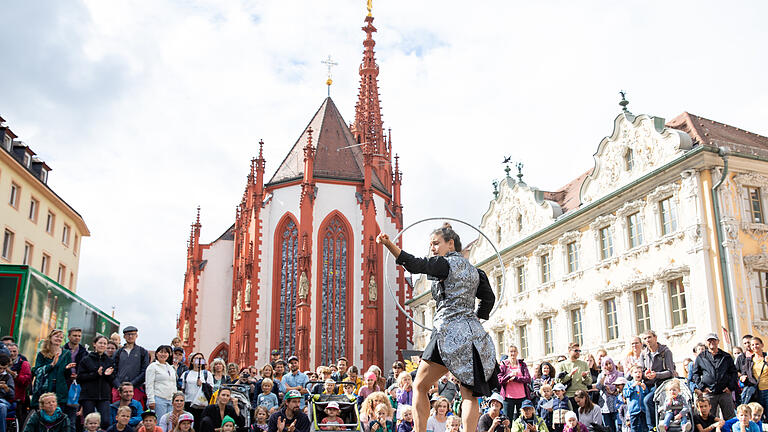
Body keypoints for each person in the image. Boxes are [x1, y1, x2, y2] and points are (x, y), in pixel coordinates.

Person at [377, 225, 498, 432]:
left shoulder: (444, 264)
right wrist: (476, 317)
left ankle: (420, 431)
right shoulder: (476, 272)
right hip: (473, 337)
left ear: (450, 244)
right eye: (431, 244)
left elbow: (414, 264)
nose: (432, 248)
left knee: (420, 386)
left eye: (435, 243)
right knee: (470, 395)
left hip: (447, 333)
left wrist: (389, 244)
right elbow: (489, 299)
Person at [691, 333, 737, 420]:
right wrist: (702, 387)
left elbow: (734, 373)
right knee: (709, 418)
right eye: (709, 340)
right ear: (706, 343)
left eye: (714, 340)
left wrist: (730, 387)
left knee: (730, 418)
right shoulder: (701, 357)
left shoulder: (726, 356)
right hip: (709, 393)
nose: (712, 342)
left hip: (725, 393)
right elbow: (695, 373)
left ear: (718, 341)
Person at [31, 329, 77, 410]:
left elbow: (67, 376)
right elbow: (37, 371)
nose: (59, 339)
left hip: (60, 389)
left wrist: (67, 369)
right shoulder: (42, 354)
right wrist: (51, 365)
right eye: (56, 336)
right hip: (45, 389)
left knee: (58, 414)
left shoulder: (66, 353)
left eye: (61, 337)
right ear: (50, 338)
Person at [640, 331, 675, 431]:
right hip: (648, 385)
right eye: (645, 338)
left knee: (648, 400)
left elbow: (670, 372)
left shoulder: (665, 351)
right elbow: (641, 371)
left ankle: (652, 428)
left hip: (662, 384)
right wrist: (645, 374)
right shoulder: (644, 354)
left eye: (649, 337)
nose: (648, 340)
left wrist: (656, 375)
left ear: (655, 338)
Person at [79, 335, 116, 429]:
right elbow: (79, 378)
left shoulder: (109, 360)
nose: (102, 345)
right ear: (94, 344)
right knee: (90, 422)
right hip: (88, 395)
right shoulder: (86, 359)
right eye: (100, 343)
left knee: (106, 421)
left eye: (105, 343)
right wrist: (96, 374)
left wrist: (108, 375)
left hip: (104, 395)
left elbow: (112, 379)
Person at [112, 326, 151, 406]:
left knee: (134, 412)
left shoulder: (142, 352)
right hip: (119, 388)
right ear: (124, 336)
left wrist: (132, 385)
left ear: (136, 336)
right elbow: (113, 370)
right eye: (128, 334)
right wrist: (118, 385)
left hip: (136, 389)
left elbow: (144, 371)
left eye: (133, 334)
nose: (130, 336)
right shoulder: (118, 352)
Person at [499, 345, 531, 420]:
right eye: (511, 351)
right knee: (507, 420)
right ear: (508, 353)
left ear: (517, 353)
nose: (513, 353)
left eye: (514, 351)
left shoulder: (522, 364)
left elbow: (527, 379)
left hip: (522, 396)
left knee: (523, 419)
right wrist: (509, 375)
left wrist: (516, 378)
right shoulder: (504, 365)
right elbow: (500, 380)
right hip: (508, 397)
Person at [146, 346, 177, 422]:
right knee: (160, 422)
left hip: (170, 400)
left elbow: (173, 384)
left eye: (165, 352)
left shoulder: (170, 368)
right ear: (156, 354)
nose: (163, 354)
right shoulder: (152, 367)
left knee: (169, 423)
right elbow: (149, 384)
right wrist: (151, 400)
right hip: (158, 399)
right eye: (161, 352)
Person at [181, 353, 213, 427]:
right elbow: (182, 388)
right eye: (196, 358)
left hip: (202, 402)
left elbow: (210, 388)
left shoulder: (207, 374)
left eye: (200, 358)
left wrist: (202, 385)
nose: (198, 360)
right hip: (189, 401)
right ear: (192, 361)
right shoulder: (186, 374)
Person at [556, 343, 592, 409]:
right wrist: (570, 375)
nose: (578, 352)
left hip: (583, 395)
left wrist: (584, 377)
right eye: (576, 351)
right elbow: (558, 381)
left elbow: (589, 382)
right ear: (569, 351)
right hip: (569, 396)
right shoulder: (562, 365)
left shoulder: (584, 364)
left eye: (579, 351)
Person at [7, 342, 32, 426]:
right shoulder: (3, 362)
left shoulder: (24, 364)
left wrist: (15, 376)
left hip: (16, 397)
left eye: (14, 351)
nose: (12, 354)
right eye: (10, 351)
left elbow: (26, 381)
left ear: (18, 351)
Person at [596, 358, 621, 432]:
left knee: (618, 428)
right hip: (605, 407)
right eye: (606, 364)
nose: (609, 366)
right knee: (608, 429)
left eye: (610, 363)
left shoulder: (619, 374)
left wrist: (614, 392)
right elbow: (598, 387)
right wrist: (604, 376)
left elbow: (623, 386)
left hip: (617, 405)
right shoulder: (601, 376)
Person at [622, 366, 648, 432]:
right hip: (634, 410)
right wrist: (632, 387)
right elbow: (625, 394)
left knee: (644, 427)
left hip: (643, 410)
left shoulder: (643, 383)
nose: (638, 374)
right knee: (634, 427)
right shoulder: (629, 384)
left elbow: (646, 395)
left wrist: (644, 389)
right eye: (635, 372)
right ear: (632, 374)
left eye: (639, 372)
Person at [736, 335, 757, 406]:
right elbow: (736, 371)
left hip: (762, 386)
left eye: (749, 342)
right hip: (748, 386)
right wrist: (741, 376)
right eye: (745, 343)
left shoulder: (759, 355)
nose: (747, 345)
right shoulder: (741, 358)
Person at [749, 337, 768, 414]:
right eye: (752, 345)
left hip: (767, 389)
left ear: (762, 345)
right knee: (757, 414)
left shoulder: (766, 357)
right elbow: (743, 371)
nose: (755, 346)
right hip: (756, 391)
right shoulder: (749, 360)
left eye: (757, 344)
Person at [0, 354, 15, 432]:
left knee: (2, 407)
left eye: (4, 369)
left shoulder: (8, 377)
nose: (1, 371)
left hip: (3, 400)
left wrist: (6, 388)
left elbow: (12, 395)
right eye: (0, 368)